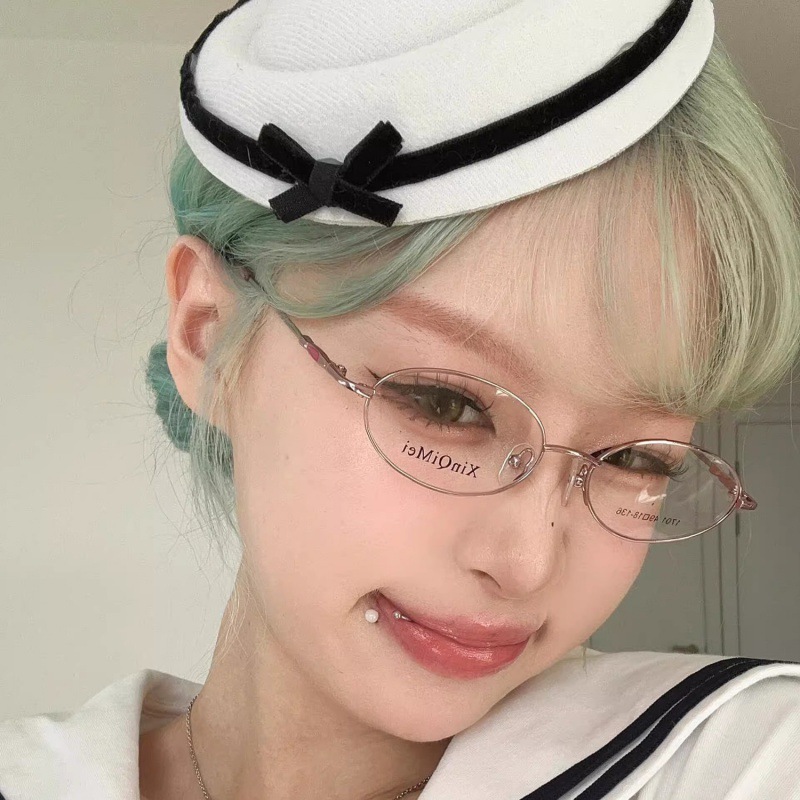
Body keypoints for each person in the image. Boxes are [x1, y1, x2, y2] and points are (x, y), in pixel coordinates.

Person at [2, 0, 799, 798]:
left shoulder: (736, 758)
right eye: (447, 405)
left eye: (635, 459)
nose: (526, 565)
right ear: (208, 334)